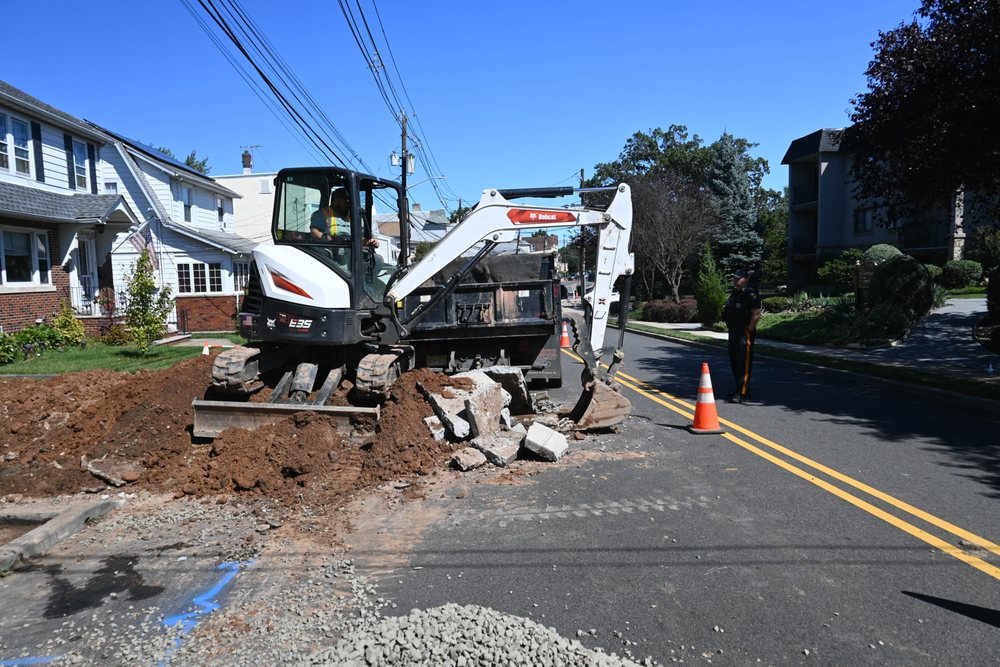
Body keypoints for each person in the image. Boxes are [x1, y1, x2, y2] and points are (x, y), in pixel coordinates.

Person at [723, 269, 761, 403]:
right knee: (734, 362)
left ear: (745, 279)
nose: (734, 280)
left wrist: (749, 329)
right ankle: (741, 389)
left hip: (744, 333)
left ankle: (742, 393)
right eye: (734, 278)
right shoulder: (735, 294)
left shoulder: (750, 294)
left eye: (737, 278)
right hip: (734, 331)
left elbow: (756, 314)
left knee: (743, 363)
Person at [309, 188, 379, 248]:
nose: (348, 202)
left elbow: (356, 239)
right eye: (345, 199)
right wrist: (328, 238)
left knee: (378, 259)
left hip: (349, 249)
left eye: (349, 200)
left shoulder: (351, 217)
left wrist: (369, 242)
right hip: (331, 249)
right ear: (335, 200)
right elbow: (314, 232)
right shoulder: (323, 214)